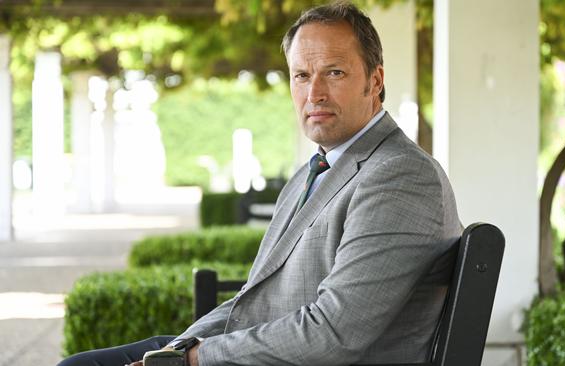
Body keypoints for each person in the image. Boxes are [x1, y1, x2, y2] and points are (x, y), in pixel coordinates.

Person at [59, 2, 462, 365]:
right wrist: (179, 348)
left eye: (334, 73)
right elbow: (253, 298)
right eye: (301, 75)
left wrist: (196, 359)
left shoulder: (399, 176)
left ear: (374, 82)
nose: (314, 93)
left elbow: (334, 334)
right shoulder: (320, 169)